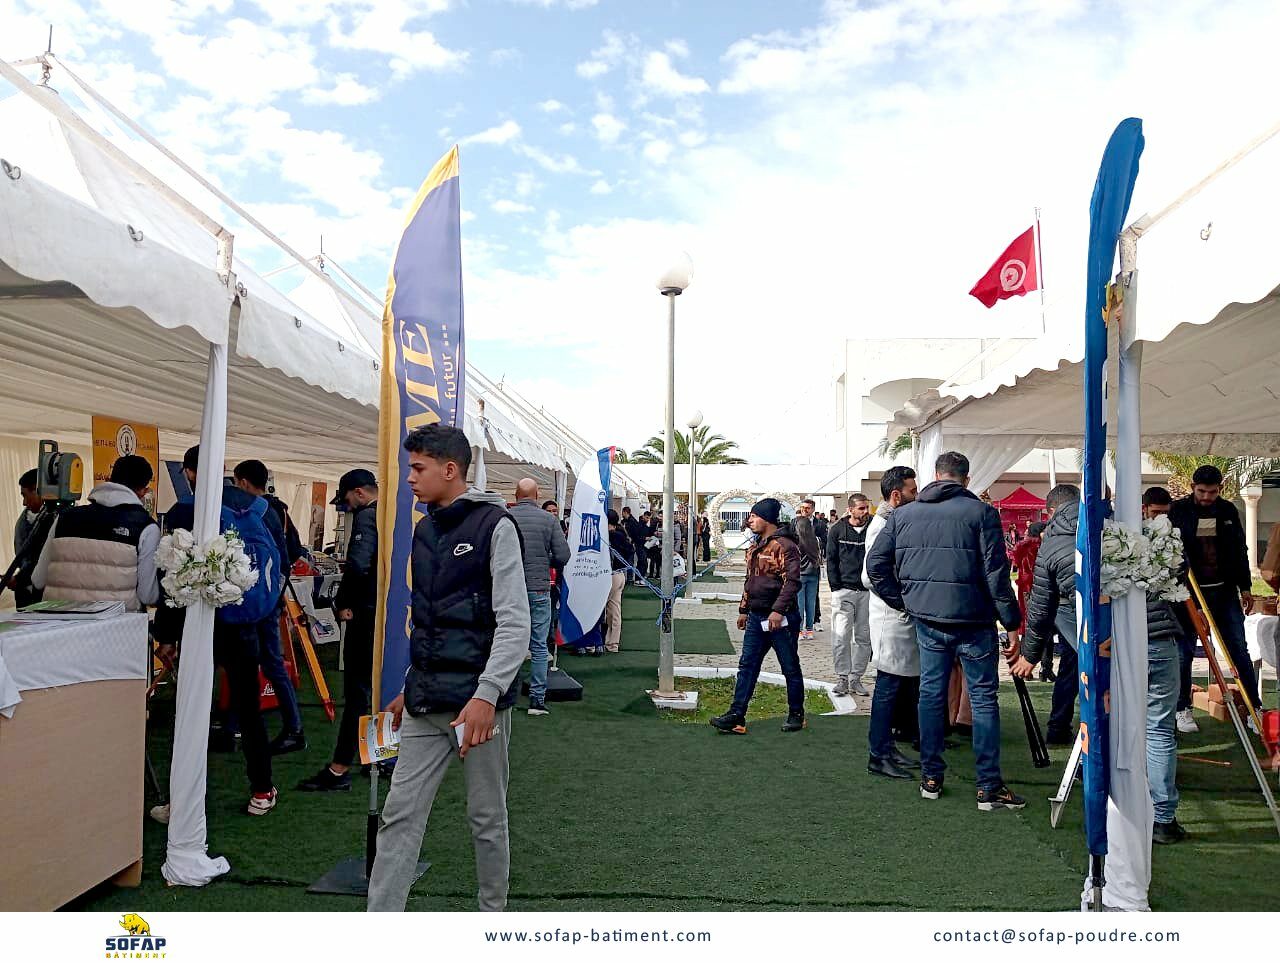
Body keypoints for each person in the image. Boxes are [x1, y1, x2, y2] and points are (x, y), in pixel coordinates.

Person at [367, 424, 530, 912]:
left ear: (450, 469)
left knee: (485, 817)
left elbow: (514, 623)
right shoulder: (422, 529)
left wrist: (486, 695)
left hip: (477, 709)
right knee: (399, 815)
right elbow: (429, 621)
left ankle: (492, 916)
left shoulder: (495, 526)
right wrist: (407, 684)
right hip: (424, 701)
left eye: (418, 469)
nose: (410, 479)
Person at [865, 451, 1026, 811]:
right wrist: (1012, 623)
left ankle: (931, 777)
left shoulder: (904, 515)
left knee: (931, 695)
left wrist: (905, 600)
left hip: (929, 621)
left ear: (935, 476)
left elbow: (875, 566)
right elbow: (997, 575)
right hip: (974, 622)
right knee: (983, 700)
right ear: (966, 480)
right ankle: (988, 786)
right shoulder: (982, 513)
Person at [155, 445, 288, 815]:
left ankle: (181, 800)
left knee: (190, 710)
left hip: (196, 625)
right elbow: (280, 568)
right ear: (225, 468)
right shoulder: (263, 509)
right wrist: (261, 614)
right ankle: (262, 789)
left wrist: (165, 635)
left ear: (189, 472)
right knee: (249, 709)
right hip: (243, 624)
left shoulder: (184, 510)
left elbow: (169, 575)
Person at [298, 469, 380, 791]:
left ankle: (339, 768)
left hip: (365, 614)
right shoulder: (394, 514)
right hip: (387, 614)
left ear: (359, 493)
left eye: (346, 501)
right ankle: (377, 758)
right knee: (377, 690)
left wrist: (343, 601)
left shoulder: (366, 518)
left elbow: (359, 564)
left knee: (357, 692)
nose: (346, 508)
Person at [1169, 465, 1260, 719]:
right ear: (1192, 487)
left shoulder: (1228, 510)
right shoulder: (1178, 511)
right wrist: (1188, 597)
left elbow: (1240, 550)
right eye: (1202, 491)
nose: (1207, 497)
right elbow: (1172, 556)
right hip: (1187, 595)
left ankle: (1255, 708)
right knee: (1184, 652)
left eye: (1213, 492)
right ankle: (1182, 709)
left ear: (1220, 488)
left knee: (1239, 650)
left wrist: (1245, 587)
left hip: (1225, 593)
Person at [710, 498, 807, 735]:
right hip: (756, 617)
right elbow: (749, 581)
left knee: (789, 666)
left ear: (767, 519)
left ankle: (797, 714)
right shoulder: (755, 546)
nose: (750, 520)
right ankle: (737, 715)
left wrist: (777, 610)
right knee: (747, 666)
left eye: (754, 516)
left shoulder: (784, 546)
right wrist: (744, 610)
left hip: (780, 620)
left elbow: (792, 582)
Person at [233, 459, 306, 756]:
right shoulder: (279, 509)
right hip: (271, 597)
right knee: (267, 663)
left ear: (243, 483)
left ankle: (288, 728)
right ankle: (290, 728)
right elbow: (294, 551)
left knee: (260, 663)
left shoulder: (255, 512)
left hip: (254, 600)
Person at [32, 455, 160, 611]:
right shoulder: (147, 527)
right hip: (116, 629)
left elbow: (37, 580)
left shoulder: (65, 517)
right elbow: (148, 595)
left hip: (60, 626)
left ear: (108, 479)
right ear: (143, 491)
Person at [1006, 485, 1082, 746]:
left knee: (1071, 669)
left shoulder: (1050, 541)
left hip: (1054, 604)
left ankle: (1059, 727)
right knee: (1077, 670)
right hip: (1073, 609)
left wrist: (1029, 654)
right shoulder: (1109, 527)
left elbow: (1041, 604)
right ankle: (1063, 727)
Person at [863, 466, 921, 779]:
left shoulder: (895, 521)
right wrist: (902, 601)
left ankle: (887, 748)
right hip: (890, 619)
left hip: (899, 618)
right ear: (896, 495)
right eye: (913, 491)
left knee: (898, 686)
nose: (918, 496)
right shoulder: (881, 526)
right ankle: (877, 754)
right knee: (887, 685)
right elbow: (870, 573)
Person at [510, 480, 571, 714]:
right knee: (538, 645)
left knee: (510, 642)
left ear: (516, 495)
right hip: (539, 587)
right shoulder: (549, 520)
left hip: (511, 589)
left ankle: (508, 697)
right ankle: (537, 699)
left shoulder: (505, 517)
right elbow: (563, 555)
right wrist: (547, 562)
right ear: (537, 495)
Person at [1144, 486, 1201, 734]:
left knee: (1184, 657)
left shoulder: (1175, 533)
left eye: (1165, 513)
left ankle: (1181, 708)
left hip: (1178, 607)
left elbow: (1184, 570)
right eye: (1156, 512)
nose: (1161, 518)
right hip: (1149, 615)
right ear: (1144, 509)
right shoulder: (1131, 536)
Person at [826, 494, 873, 697]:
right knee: (841, 636)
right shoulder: (837, 529)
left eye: (866, 508)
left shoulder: (874, 528)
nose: (865, 512)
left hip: (867, 592)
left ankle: (856, 678)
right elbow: (831, 559)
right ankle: (842, 678)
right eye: (861, 508)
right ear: (851, 509)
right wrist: (836, 587)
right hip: (844, 591)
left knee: (864, 638)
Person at [1011, 520, 1051, 681]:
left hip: (1025, 590)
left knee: (1029, 629)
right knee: (1045, 628)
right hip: (1039, 590)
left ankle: (1025, 667)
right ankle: (1045, 668)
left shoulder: (1023, 547)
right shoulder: (1040, 547)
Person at [10, 468, 47, 608]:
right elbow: (24, 559)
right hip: (27, 595)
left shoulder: (56, 518)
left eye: (25, 496)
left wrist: (19, 579)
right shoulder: (23, 522)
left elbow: (42, 560)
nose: (24, 503)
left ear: (37, 490)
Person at [604, 509, 632, 652]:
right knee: (615, 610)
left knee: (605, 609)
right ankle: (612, 643)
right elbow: (630, 551)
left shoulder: (608, 536)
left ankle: (608, 642)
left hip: (610, 575)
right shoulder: (622, 535)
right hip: (620, 575)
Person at [793, 508, 822, 641]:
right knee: (811, 603)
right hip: (814, 574)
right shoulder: (816, 539)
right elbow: (819, 557)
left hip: (800, 575)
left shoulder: (795, 541)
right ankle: (810, 631)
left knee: (799, 604)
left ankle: (799, 631)